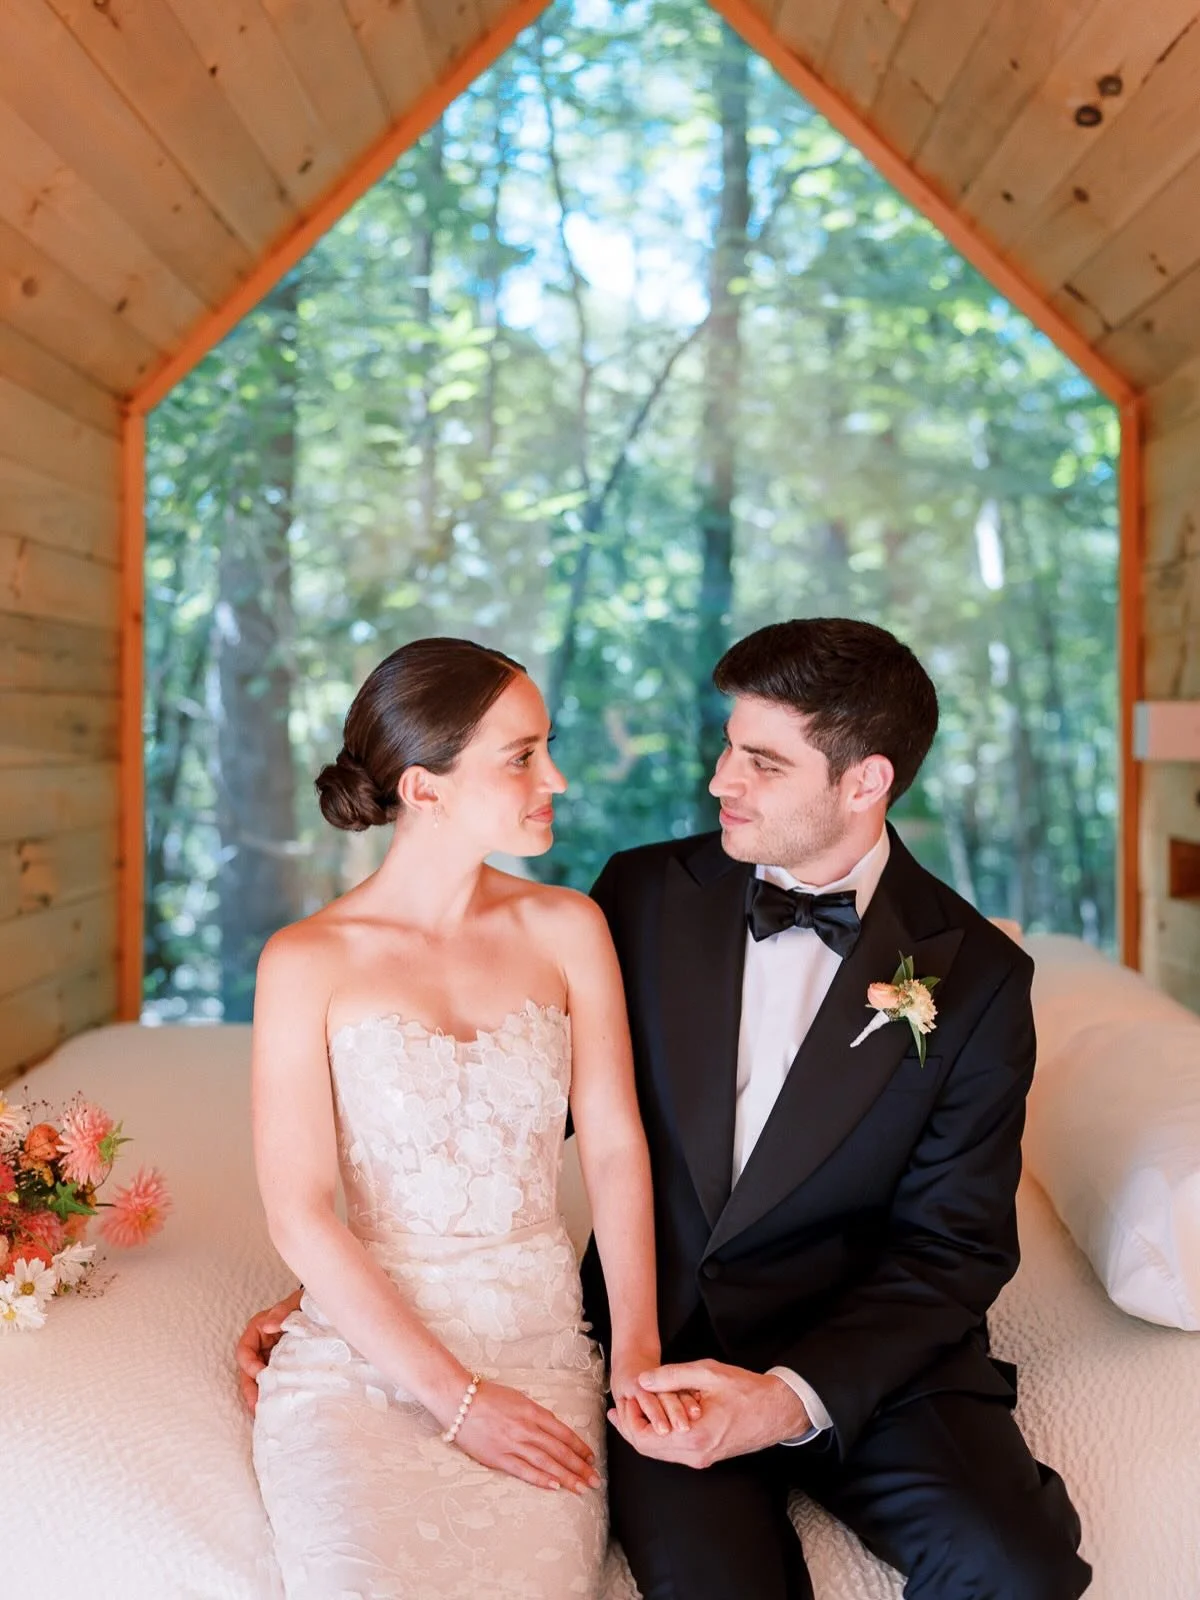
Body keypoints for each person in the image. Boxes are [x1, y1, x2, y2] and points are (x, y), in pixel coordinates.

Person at [242, 617, 1091, 1600]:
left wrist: (787, 1399)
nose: (719, 779)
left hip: (875, 1360)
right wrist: (336, 1294)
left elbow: (956, 1249)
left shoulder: (974, 976)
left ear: (864, 782)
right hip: (666, 1354)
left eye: (760, 762)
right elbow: (500, 1117)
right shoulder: (642, 895)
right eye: (728, 745)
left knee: (1018, 1567)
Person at [246, 636, 677, 1599]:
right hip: (365, 1364)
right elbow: (300, 1213)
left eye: (545, 747)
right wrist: (458, 1401)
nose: (554, 776)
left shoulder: (569, 927)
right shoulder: (305, 960)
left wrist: (637, 1353)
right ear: (423, 788)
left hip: (539, 1341)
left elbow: (613, 1144)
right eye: (521, 756)